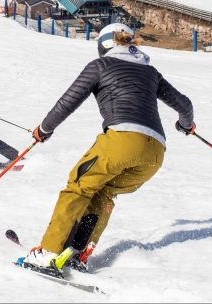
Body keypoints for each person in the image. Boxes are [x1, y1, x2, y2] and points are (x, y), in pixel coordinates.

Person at [21, 23, 194, 274]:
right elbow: (185, 104)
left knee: (78, 187)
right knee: (103, 193)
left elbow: (69, 101)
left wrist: (44, 129)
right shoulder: (150, 72)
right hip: (155, 151)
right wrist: (185, 125)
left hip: (122, 140)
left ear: (103, 46)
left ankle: (48, 253)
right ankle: (77, 253)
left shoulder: (100, 66)